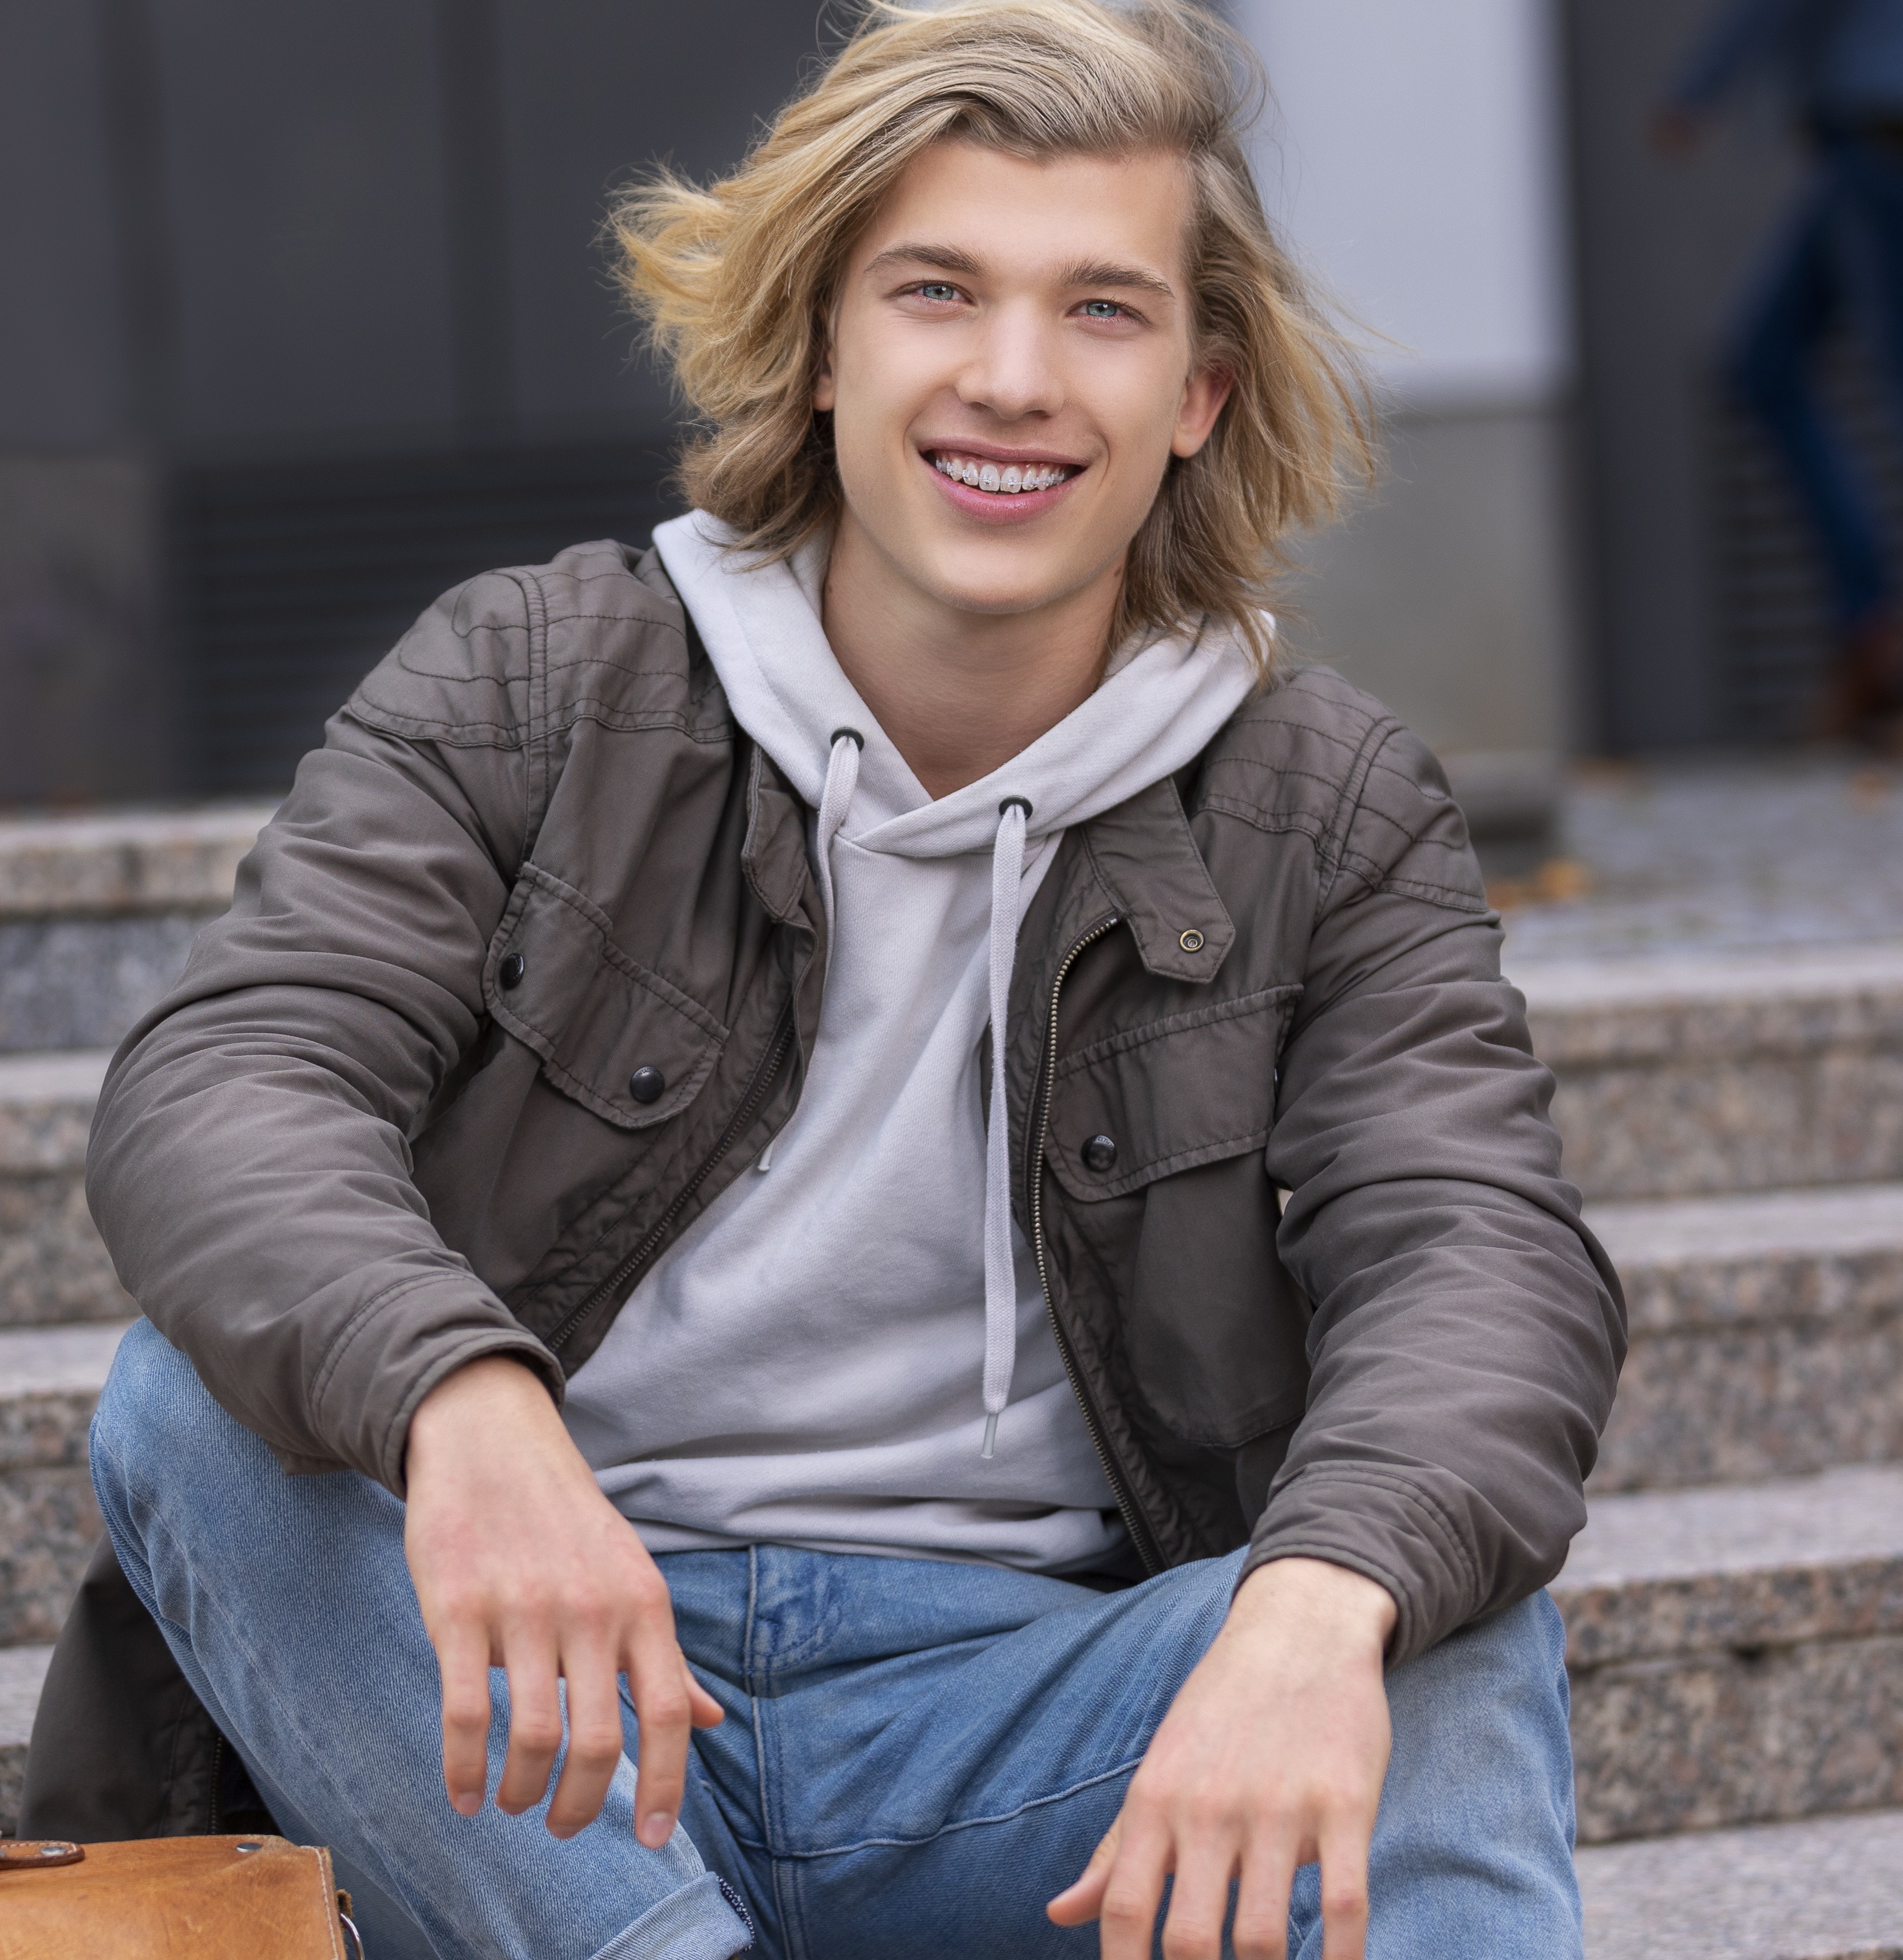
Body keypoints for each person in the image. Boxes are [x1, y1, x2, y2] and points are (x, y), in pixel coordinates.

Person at [26, 3, 1623, 1955]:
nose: (1012, 379)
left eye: (1102, 310)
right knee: (194, 1403)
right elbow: (227, 1083)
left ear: (1199, 392)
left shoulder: (1320, 799)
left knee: (1420, 1621)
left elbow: (1476, 1253)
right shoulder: (536, 681)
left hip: (1017, 1726)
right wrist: (463, 1402)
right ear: (820, 345)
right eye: (935, 289)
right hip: (526, 1714)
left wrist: (1315, 1598)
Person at [1657, 0, 1903, 743]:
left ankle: (1878, 643)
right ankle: (1869, 626)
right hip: (1853, 136)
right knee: (1762, 360)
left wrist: (1697, 86)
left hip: (1879, 127)